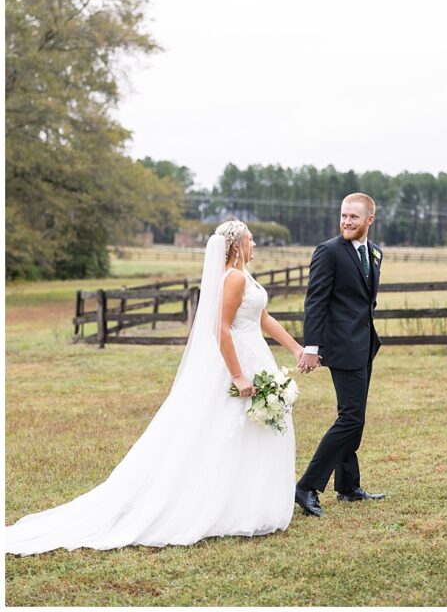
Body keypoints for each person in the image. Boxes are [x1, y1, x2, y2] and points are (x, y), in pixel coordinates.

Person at [6, 220, 305, 555]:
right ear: (236, 247)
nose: (255, 246)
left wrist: (295, 348)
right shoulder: (233, 278)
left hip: (255, 356)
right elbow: (221, 329)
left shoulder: (244, 275)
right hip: (237, 363)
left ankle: (247, 502)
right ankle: (221, 505)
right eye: (251, 240)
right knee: (226, 433)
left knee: (252, 433)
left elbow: (262, 318)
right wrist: (238, 375)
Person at [294, 193, 385, 518]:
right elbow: (315, 301)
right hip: (342, 347)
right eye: (344, 216)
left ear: (369, 220)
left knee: (355, 418)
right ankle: (306, 486)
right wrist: (312, 347)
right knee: (350, 418)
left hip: (364, 345)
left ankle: (348, 486)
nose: (346, 222)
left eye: (353, 217)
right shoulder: (328, 251)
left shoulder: (375, 253)